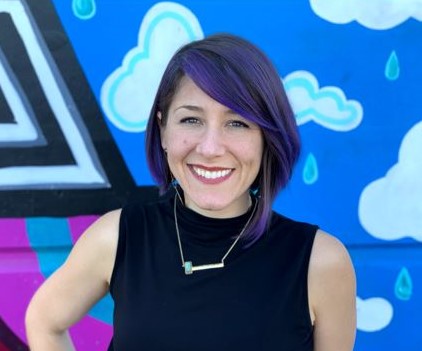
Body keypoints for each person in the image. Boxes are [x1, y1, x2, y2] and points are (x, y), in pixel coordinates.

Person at [25, 33, 356, 350]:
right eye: (191, 120)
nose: (210, 148)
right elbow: (44, 321)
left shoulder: (320, 262)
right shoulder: (117, 238)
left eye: (237, 123)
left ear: (267, 139)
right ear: (163, 130)